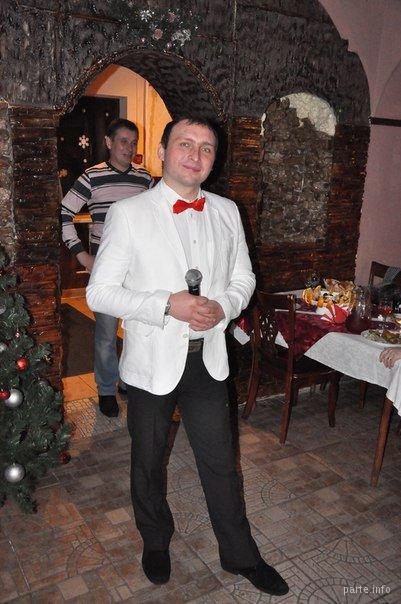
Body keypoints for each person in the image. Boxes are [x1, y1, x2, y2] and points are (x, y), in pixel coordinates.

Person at [86, 115, 289, 596]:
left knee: (221, 462)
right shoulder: (129, 213)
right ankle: (156, 541)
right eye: (185, 144)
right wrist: (166, 305)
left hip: (208, 361)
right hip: (152, 363)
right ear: (161, 152)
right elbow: (100, 292)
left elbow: (244, 278)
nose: (195, 156)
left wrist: (225, 307)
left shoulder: (227, 211)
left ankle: (240, 555)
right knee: (148, 462)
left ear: (214, 160)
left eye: (206, 148)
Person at [61, 118, 153, 417]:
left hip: (139, 266)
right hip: (107, 265)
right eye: (123, 141)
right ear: (109, 143)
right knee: (105, 333)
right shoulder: (92, 176)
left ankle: (128, 380)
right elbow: (64, 213)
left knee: (137, 328)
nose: (129, 147)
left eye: (133, 142)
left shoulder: (145, 179)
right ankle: (106, 390)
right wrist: (81, 256)